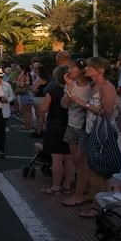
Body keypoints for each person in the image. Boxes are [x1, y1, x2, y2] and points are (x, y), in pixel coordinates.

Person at [66, 57, 119, 218]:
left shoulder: (106, 87)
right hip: (92, 131)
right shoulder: (95, 86)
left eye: (90, 67)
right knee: (96, 170)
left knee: (96, 171)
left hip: (101, 134)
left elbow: (107, 112)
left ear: (100, 70)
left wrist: (82, 103)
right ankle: (101, 204)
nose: (86, 69)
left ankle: (97, 207)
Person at [61, 58, 93, 207]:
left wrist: (80, 101)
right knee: (76, 161)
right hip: (71, 124)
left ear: (81, 70)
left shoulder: (91, 87)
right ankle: (84, 188)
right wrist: (68, 87)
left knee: (81, 162)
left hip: (83, 127)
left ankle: (79, 194)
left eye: (72, 68)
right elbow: (64, 104)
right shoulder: (71, 84)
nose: (69, 71)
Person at [39, 65, 73, 195]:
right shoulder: (72, 90)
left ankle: (56, 186)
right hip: (69, 125)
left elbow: (43, 109)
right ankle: (68, 185)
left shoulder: (53, 91)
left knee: (57, 159)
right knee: (69, 158)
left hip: (55, 126)